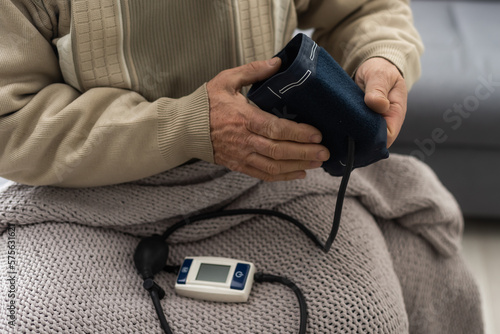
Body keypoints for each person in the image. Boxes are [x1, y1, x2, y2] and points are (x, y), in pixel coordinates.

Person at [0, 1, 483, 333]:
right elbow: (10, 118)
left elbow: (365, 11)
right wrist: (186, 125)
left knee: (362, 318)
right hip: (85, 186)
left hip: (275, 170)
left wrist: (382, 57)